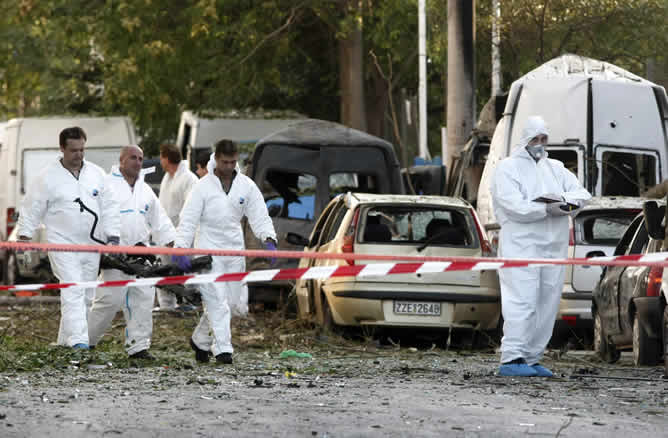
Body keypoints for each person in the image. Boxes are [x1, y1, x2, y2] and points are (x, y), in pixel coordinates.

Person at [490, 115, 591, 377]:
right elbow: (515, 207)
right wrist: (545, 209)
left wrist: (563, 204)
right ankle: (512, 358)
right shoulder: (507, 168)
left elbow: (582, 194)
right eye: (534, 138)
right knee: (522, 302)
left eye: (543, 138)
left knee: (547, 302)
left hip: (553, 249)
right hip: (521, 248)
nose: (539, 143)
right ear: (524, 139)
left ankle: (533, 358)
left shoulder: (555, 168)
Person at [174, 139, 277, 364]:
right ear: (216, 159)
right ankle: (223, 351)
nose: (229, 166)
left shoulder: (246, 186)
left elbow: (259, 214)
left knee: (229, 303)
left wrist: (268, 238)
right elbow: (188, 219)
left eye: (232, 162)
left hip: (234, 252)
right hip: (208, 252)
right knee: (217, 302)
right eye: (224, 162)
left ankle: (200, 340)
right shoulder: (202, 187)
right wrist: (181, 247)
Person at [16, 127, 120, 349]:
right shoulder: (47, 177)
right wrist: (24, 237)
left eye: (82, 149)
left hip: (92, 245)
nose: (79, 155)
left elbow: (110, 206)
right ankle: (78, 343)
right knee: (73, 289)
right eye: (74, 150)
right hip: (62, 242)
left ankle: (64, 342)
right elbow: (31, 207)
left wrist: (113, 236)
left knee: (86, 295)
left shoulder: (97, 174)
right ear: (62, 148)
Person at [88, 145, 176, 360]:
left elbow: (160, 219)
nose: (137, 162)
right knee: (109, 301)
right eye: (133, 158)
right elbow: (96, 217)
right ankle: (85, 343)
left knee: (144, 300)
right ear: (121, 160)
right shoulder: (107, 185)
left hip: (141, 254)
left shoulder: (145, 190)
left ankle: (138, 347)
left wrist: (174, 243)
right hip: (115, 255)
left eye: (140, 158)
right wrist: (103, 249)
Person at [157, 143, 198, 310]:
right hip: (166, 233)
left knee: (189, 269)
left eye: (161, 157)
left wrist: (181, 237)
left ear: (166, 158)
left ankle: (191, 302)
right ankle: (167, 305)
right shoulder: (167, 178)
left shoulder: (189, 179)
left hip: (183, 233)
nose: (160, 161)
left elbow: (191, 209)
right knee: (164, 269)